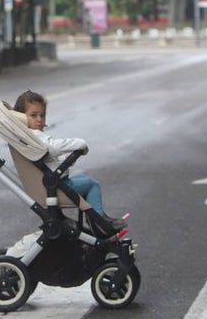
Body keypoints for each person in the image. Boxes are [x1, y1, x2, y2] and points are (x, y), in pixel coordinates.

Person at [13, 90, 127, 236]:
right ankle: (99, 223)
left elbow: (48, 159)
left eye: (42, 115)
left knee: (86, 180)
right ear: (22, 118)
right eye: (34, 115)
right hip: (54, 188)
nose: (40, 119)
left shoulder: (27, 136)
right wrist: (80, 144)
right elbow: (51, 147)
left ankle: (98, 218)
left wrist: (67, 160)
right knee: (92, 185)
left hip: (53, 184)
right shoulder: (35, 136)